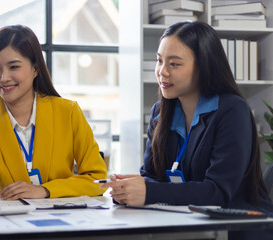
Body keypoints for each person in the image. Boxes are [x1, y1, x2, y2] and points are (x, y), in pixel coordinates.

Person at [101, 21, 273, 240]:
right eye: (159, 61)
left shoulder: (232, 110)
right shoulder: (160, 112)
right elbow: (152, 175)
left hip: (237, 226)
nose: (162, 72)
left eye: (174, 64)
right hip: (185, 221)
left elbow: (218, 192)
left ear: (203, 67)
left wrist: (148, 192)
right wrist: (130, 189)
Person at [0, 25, 107, 200]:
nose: (3, 78)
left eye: (13, 67)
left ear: (35, 69)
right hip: (10, 224)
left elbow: (97, 178)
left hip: (61, 221)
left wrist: (45, 190)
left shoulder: (68, 112)